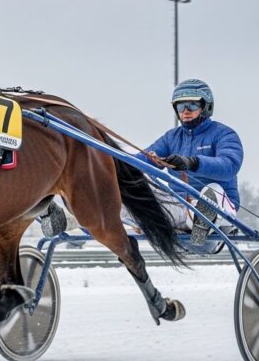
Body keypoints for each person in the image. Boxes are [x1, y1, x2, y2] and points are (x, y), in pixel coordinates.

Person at [40, 79, 244, 246]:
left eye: (192, 105)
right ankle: (71, 220)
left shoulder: (223, 134)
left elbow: (229, 165)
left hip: (220, 209)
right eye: (181, 106)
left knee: (213, 191)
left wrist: (192, 162)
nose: (185, 111)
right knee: (125, 194)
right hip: (177, 206)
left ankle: (201, 219)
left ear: (206, 106)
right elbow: (143, 161)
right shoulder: (172, 137)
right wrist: (109, 165)